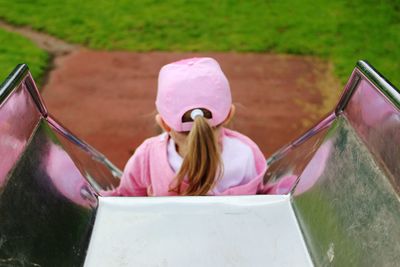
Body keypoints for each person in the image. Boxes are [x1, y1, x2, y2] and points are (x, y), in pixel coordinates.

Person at [102, 57, 267, 196]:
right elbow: (265, 200)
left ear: (164, 124)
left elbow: (124, 201)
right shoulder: (247, 154)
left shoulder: (147, 156)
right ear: (229, 114)